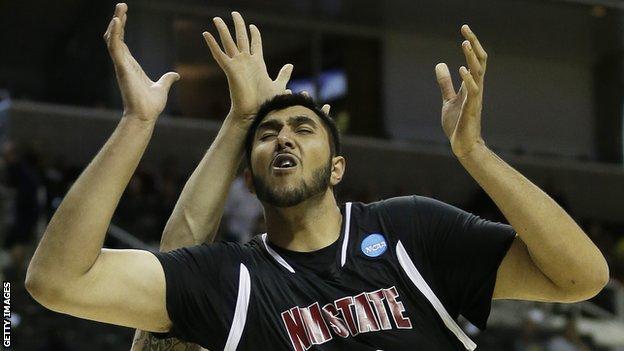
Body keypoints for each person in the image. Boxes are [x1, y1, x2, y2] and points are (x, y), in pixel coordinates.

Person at [25, 3, 609, 351]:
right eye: (267, 134)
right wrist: (140, 122)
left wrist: (476, 154)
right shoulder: (235, 279)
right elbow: (58, 282)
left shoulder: (410, 229)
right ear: (248, 179)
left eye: (304, 128)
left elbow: (581, 277)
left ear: (337, 167)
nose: (282, 137)